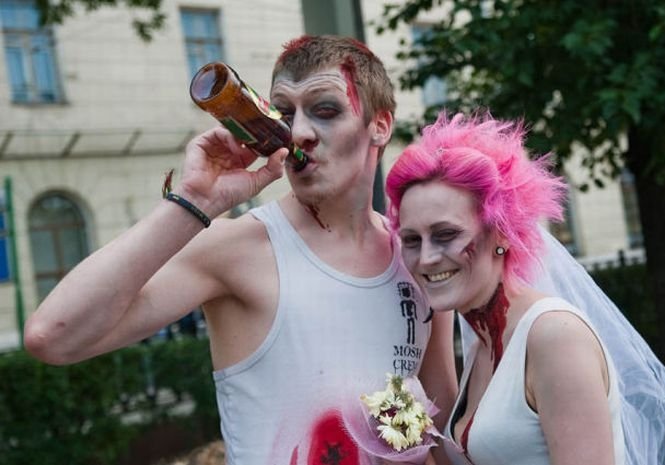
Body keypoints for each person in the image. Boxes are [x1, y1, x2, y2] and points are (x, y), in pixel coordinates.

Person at [23, 36, 457, 465]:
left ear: (380, 125)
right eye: (283, 114)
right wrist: (193, 202)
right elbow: (53, 338)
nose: (300, 132)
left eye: (325, 110)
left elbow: (442, 414)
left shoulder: (417, 257)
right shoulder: (237, 248)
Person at [385, 112, 665, 465]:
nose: (427, 258)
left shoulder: (554, 336)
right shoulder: (484, 347)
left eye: (446, 235)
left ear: (501, 233)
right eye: (411, 240)